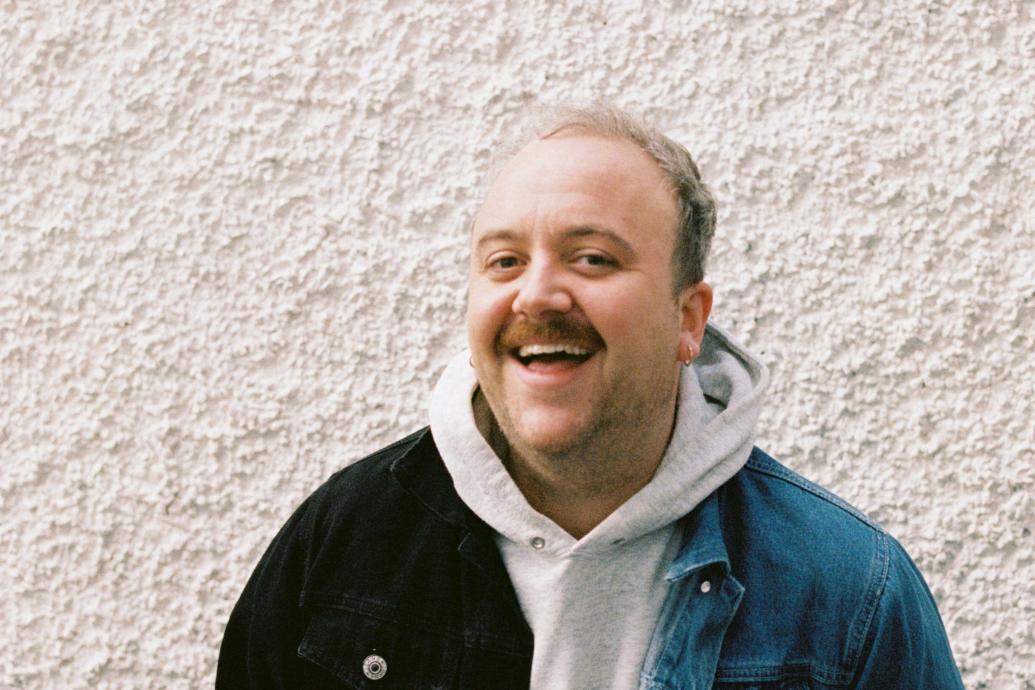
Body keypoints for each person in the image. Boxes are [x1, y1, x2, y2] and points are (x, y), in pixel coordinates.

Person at [217, 104, 964, 689]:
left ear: (687, 319)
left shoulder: (846, 591)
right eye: (504, 260)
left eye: (592, 258)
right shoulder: (342, 544)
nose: (536, 292)